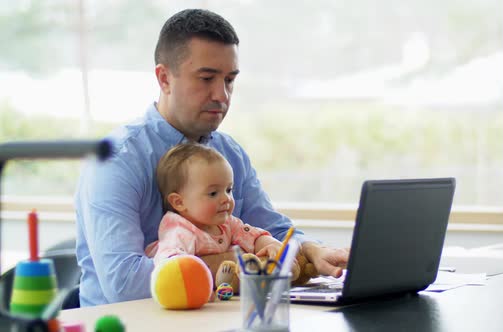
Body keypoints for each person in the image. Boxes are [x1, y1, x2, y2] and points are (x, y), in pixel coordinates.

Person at [75, 8, 349, 307]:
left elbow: (272, 230)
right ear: (164, 78)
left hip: (216, 318)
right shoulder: (116, 159)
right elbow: (124, 283)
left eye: (230, 80)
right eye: (207, 78)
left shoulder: (228, 152)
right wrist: (235, 262)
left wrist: (312, 250)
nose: (222, 95)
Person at [145, 142, 282, 264]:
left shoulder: (228, 224)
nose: (226, 198)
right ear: (179, 202)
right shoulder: (179, 234)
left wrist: (270, 245)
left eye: (229, 190)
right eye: (213, 193)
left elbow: (253, 237)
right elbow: (170, 269)